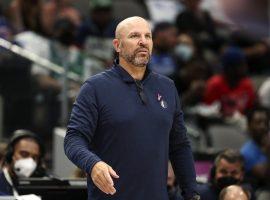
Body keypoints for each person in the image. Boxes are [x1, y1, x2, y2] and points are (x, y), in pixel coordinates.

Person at [64, 16, 200, 200]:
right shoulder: (95, 88)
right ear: (117, 45)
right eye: (135, 36)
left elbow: (179, 146)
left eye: (148, 36)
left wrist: (192, 194)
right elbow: (73, 139)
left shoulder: (167, 87)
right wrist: (93, 164)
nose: (143, 42)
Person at [0, 129, 47, 196]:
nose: (30, 161)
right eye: (24, 154)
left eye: (34, 157)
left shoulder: (43, 185)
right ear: (10, 155)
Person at [240, 106, 270, 199]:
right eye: (258, 123)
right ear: (249, 126)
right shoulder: (246, 152)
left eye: (265, 122)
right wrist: (268, 151)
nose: (263, 126)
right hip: (261, 192)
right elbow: (264, 175)